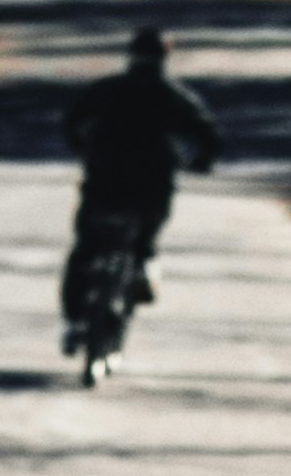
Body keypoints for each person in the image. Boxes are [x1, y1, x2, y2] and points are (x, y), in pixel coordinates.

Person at [60, 23, 225, 364]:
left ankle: (75, 320)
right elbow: (207, 133)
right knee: (144, 242)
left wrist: (82, 149)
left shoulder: (106, 90)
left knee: (84, 251)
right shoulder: (173, 96)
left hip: (104, 181)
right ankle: (143, 268)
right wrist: (202, 161)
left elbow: (72, 121)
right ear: (165, 56)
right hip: (152, 186)